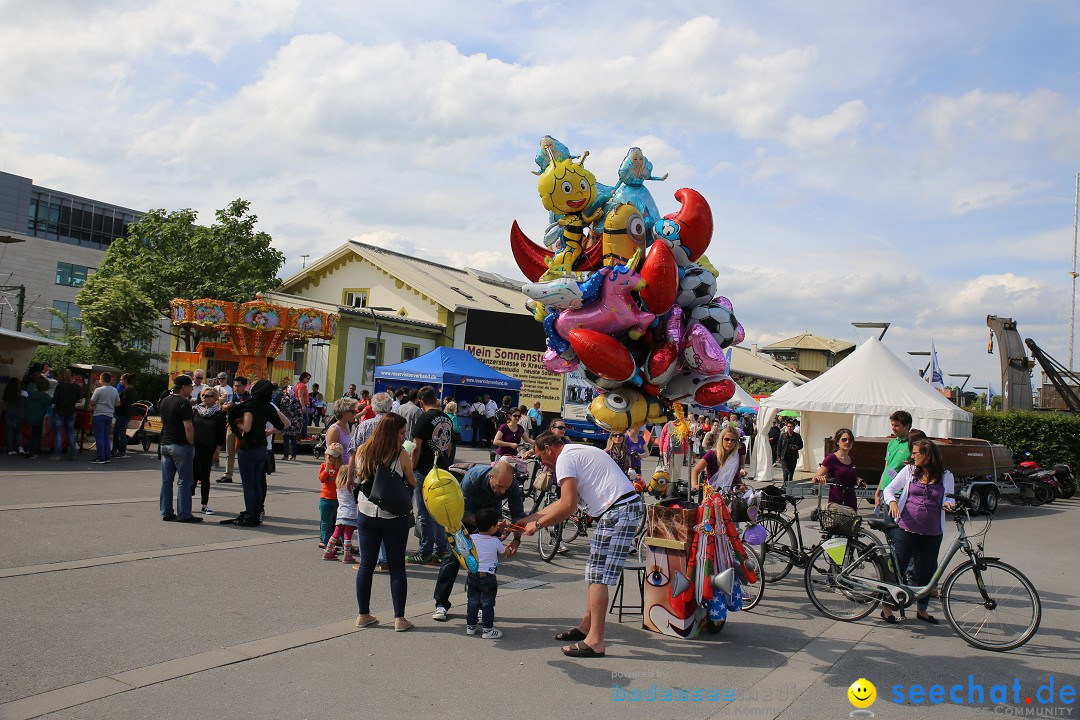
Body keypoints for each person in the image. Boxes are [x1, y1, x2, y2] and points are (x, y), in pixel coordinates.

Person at [522, 431, 644, 658]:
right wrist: (527, 521)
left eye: (540, 458)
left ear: (548, 448)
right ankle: (586, 628)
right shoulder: (574, 452)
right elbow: (562, 503)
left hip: (618, 511)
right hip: (622, 508)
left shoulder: (565, 459)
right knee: (594, 573)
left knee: (598, 575)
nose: (542, 464)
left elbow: (568, 506)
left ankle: (596, 641)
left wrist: (537, 525)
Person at [432, 457, 525, 622]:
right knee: (453, 559)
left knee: (487, 564)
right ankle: (441, 603)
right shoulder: (473, 479)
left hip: (491, 516)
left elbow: (518, 515)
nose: (503, 491)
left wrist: (516, 540)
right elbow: (463, 514)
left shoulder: (511, 484)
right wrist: (491, 525)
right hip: (465, 517)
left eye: (507, 487)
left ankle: (484, 606)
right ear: (491, 477)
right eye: (499, 487)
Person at [352, 412, 416, 632]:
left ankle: (363, 614)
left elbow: (359, 476)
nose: (403, 436)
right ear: (392, 433)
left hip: (366, 511)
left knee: (366, 564)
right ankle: (399, 618)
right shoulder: (401, 453)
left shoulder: (363, 450)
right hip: (393, 515)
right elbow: (411, 481)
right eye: (401, 432)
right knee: (397, 567)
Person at [880, 439, 955, 624]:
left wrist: (949, 505)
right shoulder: (909, 471)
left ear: (927, 455)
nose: (912, 457)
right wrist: (892, 502)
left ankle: (922, 610)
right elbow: (889, 489)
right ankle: (887, 608)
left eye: (915, 453)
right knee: (898, 568)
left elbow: (950, 498)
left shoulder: (946, 475)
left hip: (932, 532)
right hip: (906, 528)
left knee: (927, 571)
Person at [228, 379, 289, 525]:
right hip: (262, 448)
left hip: (248, 447)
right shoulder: (268, 406)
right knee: (257, 483)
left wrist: (237, 424)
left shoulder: (250, 404)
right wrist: (273, 428)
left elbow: (247, 427)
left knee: (248, 485)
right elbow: (286, 423)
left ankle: (250, 515)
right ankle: (257, 513)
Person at [406, 386, 452, 564]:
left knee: (424, 513)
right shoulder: (446, 418)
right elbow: (448, 446)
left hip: (425, 470)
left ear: (421, 401)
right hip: (441, 469)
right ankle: (441, 550)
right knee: (439, 512)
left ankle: (424, 551)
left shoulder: (423, 418)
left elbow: (416, 447)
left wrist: (412, 467)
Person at [159, 375, 201, 523]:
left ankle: (166, 511)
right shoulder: (184, 404)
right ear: (183, 387)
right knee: (184, 480)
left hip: (165, 443)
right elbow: (188, 426)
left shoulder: (164, 401)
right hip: (181, 445)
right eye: (190, 386)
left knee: (166, 480)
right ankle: (184, 513)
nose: (192, 389)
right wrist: (192, 443)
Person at [465, 506, 510, 639]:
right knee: (487, 603)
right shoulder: (495, 541)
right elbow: (505, 552)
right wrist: (510, 546)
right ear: (492, 528)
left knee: (472, 601)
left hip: (472, 574)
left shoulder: (471, 538)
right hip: (488, 577)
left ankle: (471, 626)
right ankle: (488, 629)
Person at [192, 386, 227, 515]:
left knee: (205, 476)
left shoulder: (218, 414)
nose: (204, 398)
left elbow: (220, 435)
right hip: (194, 448)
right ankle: (187, 502)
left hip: (208, 449)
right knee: (192, 475)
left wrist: (217, 451)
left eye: (208, 396)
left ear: (215, 398)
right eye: (203, 395)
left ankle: (204, 504)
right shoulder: (196, 410)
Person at [323, 442, 360, 564]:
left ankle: (328, 551)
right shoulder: (351, 488)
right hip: (349, 513)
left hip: (341, 513)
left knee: (336, 533)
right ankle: (347, 555)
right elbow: (357, 496)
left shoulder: (339, 488)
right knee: (348, 535)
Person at [813, 428, 863, 512]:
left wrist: (858, 480)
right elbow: (814, 479)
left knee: (852, 524)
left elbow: (850, 478)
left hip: (851, 500)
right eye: (844, 439)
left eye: (850, 440)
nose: (847, 442)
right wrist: (819, 478)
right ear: (837, 442)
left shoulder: (852, 459)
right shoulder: (831, 458)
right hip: (836, 502)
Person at [691, 425, 747, 495]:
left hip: (732, 493)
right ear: (721, 439)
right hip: (713, 494)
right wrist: (695, 486)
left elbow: (737, 477)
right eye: (727, 439)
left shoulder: (736, 455)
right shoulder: (712, 454)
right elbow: (695, 470)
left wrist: (741, 485)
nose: (730, 442)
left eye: (733, 440)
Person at [875, 410, 912, 513]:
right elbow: (887, 468)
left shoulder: (912, 444)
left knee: (899, 527)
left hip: (901, 493)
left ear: (907, 426)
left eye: (897, 425)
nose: (893, 428)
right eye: (892, 425)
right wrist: (878, 492)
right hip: (887, 492)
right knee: (889, 527)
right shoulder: (891, 443)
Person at [217, 377, 249, 482]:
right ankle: (228, 475)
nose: (236, 387)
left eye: (238, 385)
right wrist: (226, 406)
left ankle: (246, 476)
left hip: (244, 426)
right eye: (234, 385)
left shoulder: (249, 397)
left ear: (244, 386)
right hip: (231, 425)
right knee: (229, 452)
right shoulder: (231, 395)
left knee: (243, 452)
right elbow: (223, 407)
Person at [89, 372, 120, 464]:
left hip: (99, 413)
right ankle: (107, 456)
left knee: (99, 436)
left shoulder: (99, 390)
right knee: (106, 436)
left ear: (101, 380)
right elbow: (118, 403)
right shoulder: (114, 390)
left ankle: (100, 456)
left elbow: (92, 402)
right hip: (109, 414)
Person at [50, 368, 81, 460]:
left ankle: (57, 454)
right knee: (70, 432)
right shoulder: (76, 386)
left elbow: (55, 400)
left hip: (59, 411)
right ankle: (73, 453)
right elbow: (79, 399)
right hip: (71, 411)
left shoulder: (60, 386)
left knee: (58, 433)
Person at [23, 377, 52, 459]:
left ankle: (28, 449)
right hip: (39, 418)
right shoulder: (46, 397)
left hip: (30, 417)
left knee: (32, 435)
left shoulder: (31, 395)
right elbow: (47, 409)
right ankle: (33, 452)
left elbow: (26, 405)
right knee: (37, 435)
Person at [111, 373, 136, 459]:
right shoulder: (128, 390)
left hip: (123, 414)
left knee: (120, 433)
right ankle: (116, 450)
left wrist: (117, 404)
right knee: (116, 433)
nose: (120, 381)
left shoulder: (127, 391)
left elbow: (124, 402)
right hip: (122, 414)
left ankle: (121, 451)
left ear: (125, 380)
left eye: (121, 380)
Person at [279, 381, 305, 461]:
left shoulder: (283, 400)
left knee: (286, 439)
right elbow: (299, 412)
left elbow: (282, 411)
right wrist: (301, 422)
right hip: (295, 422)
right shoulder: (296, 400)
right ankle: (293, 455)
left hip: (286, 422)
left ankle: (286, 455)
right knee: (294, 439)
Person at [777, 420, 803, 484]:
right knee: (786, 473)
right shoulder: (783, 435)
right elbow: (779, 446)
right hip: (784, 456)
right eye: (788, 426)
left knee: (791, 473)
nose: (789, 428)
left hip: (793, 457)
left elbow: (801, 445)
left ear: (794, 427)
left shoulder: (797, 436)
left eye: (791, 427)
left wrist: (796, 447)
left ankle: (789, 486)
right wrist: (778, 456)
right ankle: (785, 486)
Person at [445, 400, 461, 464]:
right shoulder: (453, 417)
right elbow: (454, 428)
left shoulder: (445, 415)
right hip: (452, 436)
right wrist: (459, 429)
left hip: (445, 435)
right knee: (451, 453)